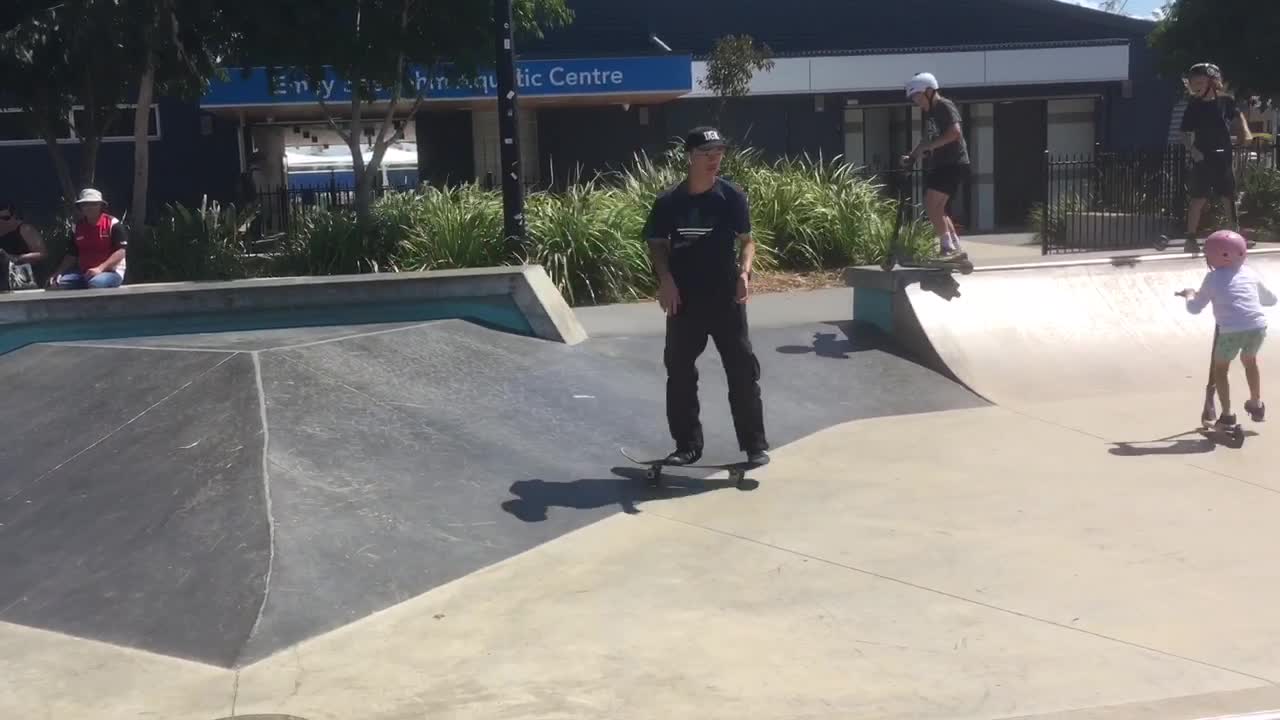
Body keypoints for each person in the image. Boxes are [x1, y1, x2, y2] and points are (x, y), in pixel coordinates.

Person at [642, 126, 769, 467]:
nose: (714, 159)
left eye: (719, 153)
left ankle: (754, 445)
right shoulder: (669, 201)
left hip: (725, 295)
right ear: (689, 156)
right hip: (684, 298)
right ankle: (686, 446)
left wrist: (744, 273)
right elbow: (656, 244)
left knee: (742, 369)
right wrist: (665, 280)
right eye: (706, 153)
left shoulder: (732, 197)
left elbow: (747, 241)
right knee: (679, 370)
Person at [1178, 230, 1276, 428]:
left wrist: (1189, 294)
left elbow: (1195, 308)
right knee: (1250, 361)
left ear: (1212, 256)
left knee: (1220, 369)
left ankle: (1227, 415)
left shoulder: (1212, 278)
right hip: (1257, 327)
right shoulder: (1249, 273)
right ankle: (1256, 404)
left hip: (1231, 331)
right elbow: (1271, 300)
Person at [1179, 62, 1253, 253]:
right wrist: (1193, 151)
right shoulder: (1194, 106)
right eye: (1193, 83)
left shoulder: (1225, 101)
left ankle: (1235, 236)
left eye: (1200, 82)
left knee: (1228, 196)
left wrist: (1245, 131)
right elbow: (1185, 132)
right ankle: (1190, 239)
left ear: (1213, 81)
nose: (1195, 86)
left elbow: (1238, 116)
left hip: (1224, 154)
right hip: (1203, 156)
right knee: (1198, 198)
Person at [902, 72, 971, 260]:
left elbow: (955, 132)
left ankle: (947, 248)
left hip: (952, 162)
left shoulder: (944, 106)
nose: (916, 101)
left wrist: (930, 148)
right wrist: (912, 155)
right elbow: (926, 139)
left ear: (930, 91)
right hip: (942, 164)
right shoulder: (931, 113)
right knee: (938, 208)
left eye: (917, 96)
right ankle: (955, 247)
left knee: (931, 204)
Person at [47, 188, 128, 289]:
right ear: (81, 207)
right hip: (84, 273)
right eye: (85, 204)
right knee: (54, 285)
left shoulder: (113, 224)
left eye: (94, 204)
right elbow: (72, 254)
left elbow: (121, 252)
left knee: (95, 283)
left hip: (111, 272)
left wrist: (100, 269)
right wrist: (58, 273)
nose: (89, 207)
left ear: (100, 206)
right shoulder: (78, 227)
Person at [0, 202, 49, 291]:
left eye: (5, 218)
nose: (1, 221)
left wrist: (15, 258)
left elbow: (43, 254)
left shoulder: (25, 229)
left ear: (14, 216)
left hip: (27, 279)